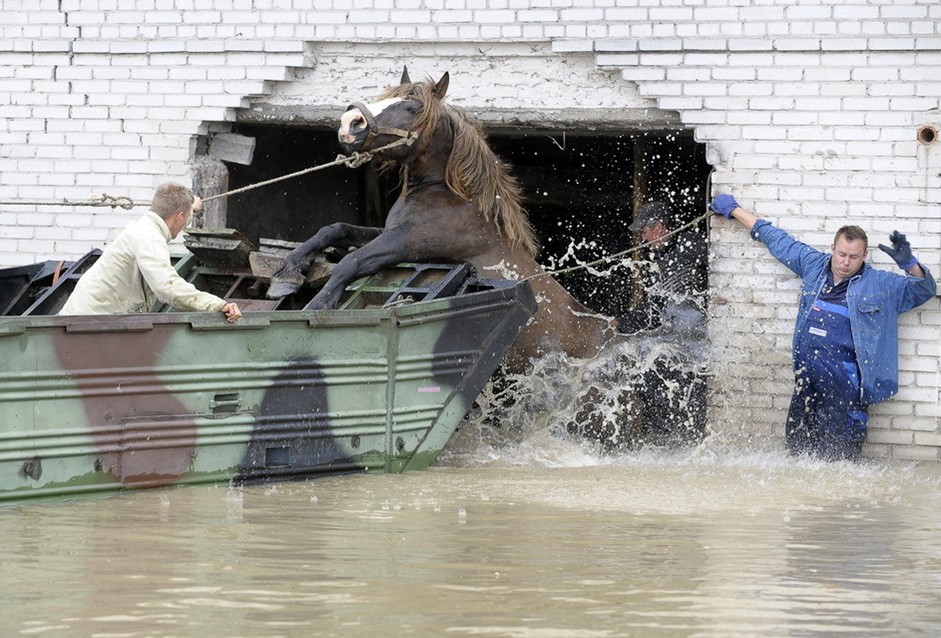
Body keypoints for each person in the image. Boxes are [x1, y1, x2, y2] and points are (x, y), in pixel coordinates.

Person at [710, 193, 936, 461]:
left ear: (865, 255)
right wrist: (735, 210)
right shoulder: (814, 265)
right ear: (833, 248)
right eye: (841, 254)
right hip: (807, 382)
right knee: (798, 455)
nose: (845, 262)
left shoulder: (880, 284)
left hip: (847, 388)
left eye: (854, 257)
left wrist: (910, 265)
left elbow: (924, 291)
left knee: (839, 462)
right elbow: (777, 239)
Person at [59, 182, 242, 322]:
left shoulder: (143, 226)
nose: (185, 225)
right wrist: (218, 305)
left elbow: (173, 202)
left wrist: (189, 206)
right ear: (178, 217)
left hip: (82, 319)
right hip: (88, 326)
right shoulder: (151, 239)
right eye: (186, 219)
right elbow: (167, 288)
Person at [619, 201, 709, 446]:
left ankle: (694, 432)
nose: (643, 237)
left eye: (645, 231)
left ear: (659, 227)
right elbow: (655, 310)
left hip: (699, 336)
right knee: (641, 357)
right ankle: (659, 430)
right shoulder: (659, 258)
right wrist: (621, 323)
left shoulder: (691, 244)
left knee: (681, 371)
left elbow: (721, 263)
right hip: (675, 333)